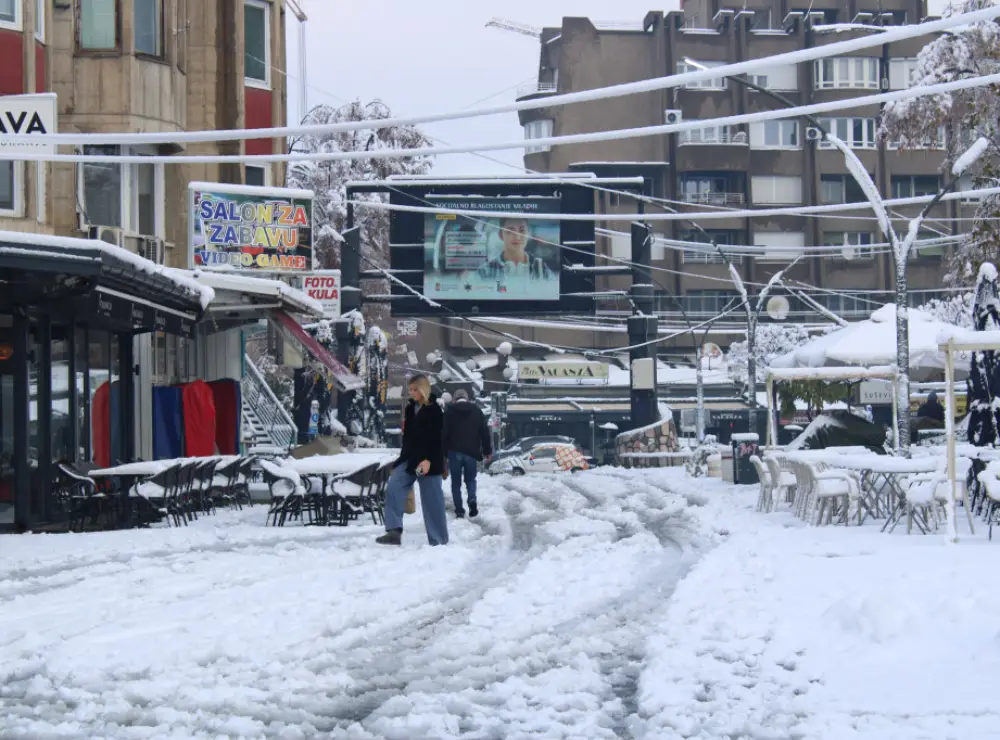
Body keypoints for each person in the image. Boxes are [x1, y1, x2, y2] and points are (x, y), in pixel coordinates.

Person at [377, 375, 448, 546]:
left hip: (430, 460)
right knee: (394, 487)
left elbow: (438, 440)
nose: (412, 393)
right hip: (410, 459)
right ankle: (394, 531)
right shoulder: (410, 409)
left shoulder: (435, 410)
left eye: (415, 389)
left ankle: (438, 540)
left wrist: (429, 460)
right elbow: (408, 438)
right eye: (410, 389)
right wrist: (400, 461)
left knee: (432, 501)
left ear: (423, 389)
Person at [442, 389, 492, 519]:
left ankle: (459, 510)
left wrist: (442, 453)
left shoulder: (449, 412)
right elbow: (484, 433)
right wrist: (487, 451)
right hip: (471, 453)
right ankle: (472, 499)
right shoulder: (477, 412)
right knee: (470, 479)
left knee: (456, 482)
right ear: (467, 399)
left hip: (454, 453)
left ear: (454, 400)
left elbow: (443, 434)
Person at [477, 217, 554, 282]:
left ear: (528, 234)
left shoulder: (540, 267)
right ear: (501, 235)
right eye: (510, 231)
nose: (517, 237)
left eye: (522, 231)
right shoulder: (485, 271)